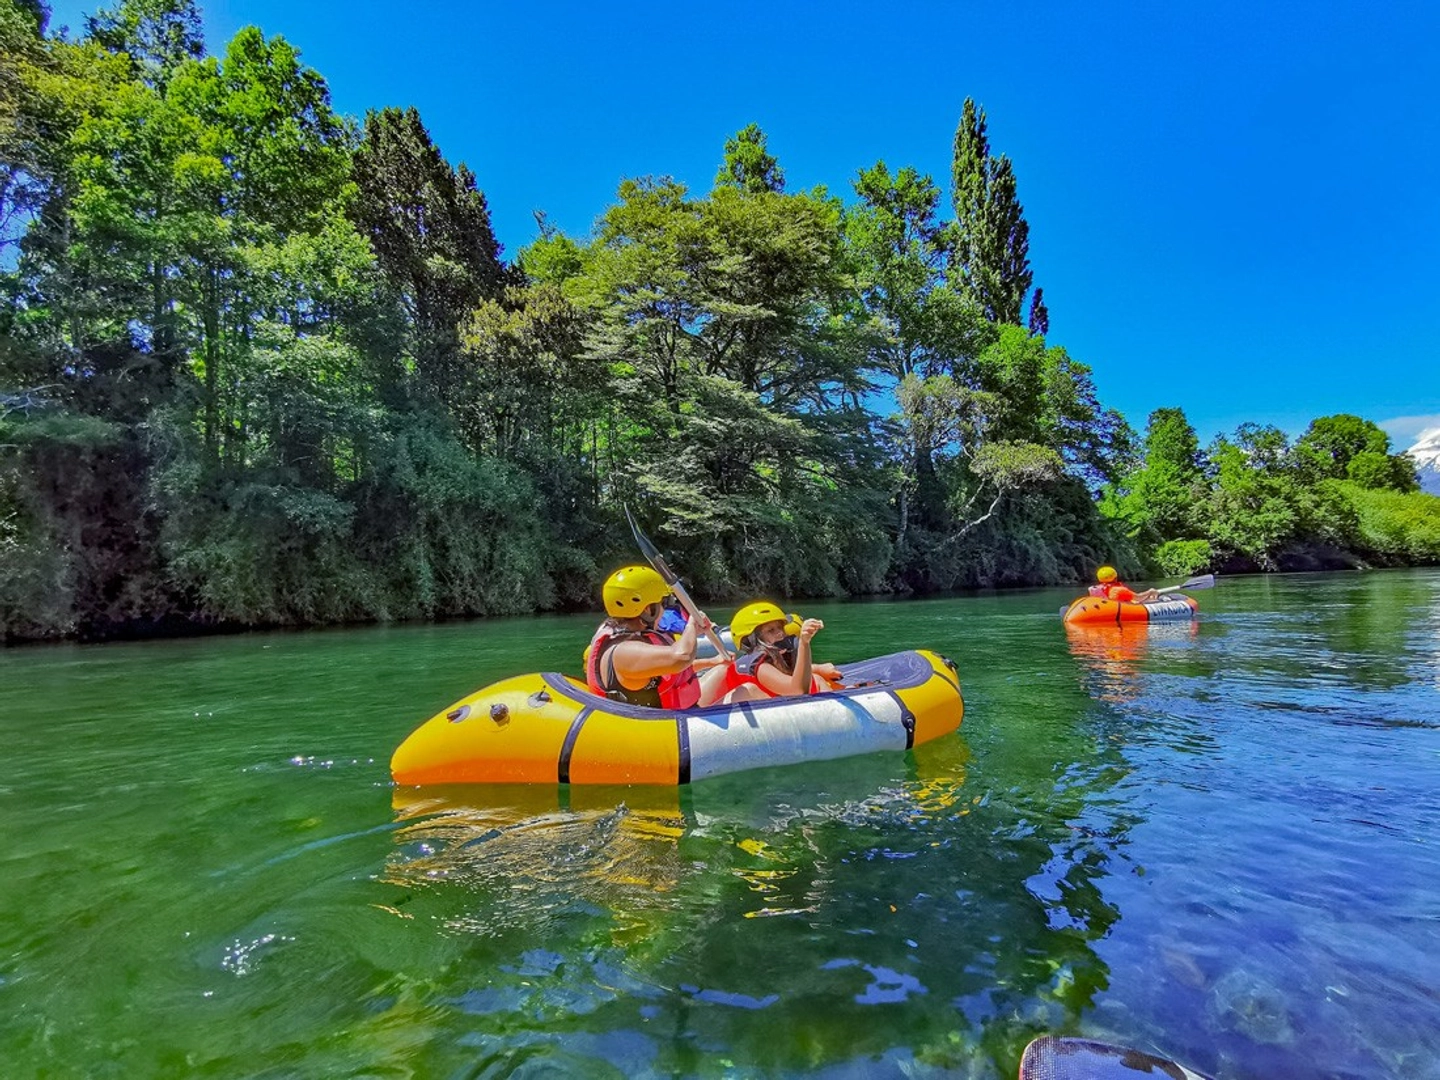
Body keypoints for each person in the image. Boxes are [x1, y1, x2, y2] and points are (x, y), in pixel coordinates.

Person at [585, 565, 732, 708]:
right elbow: (682, 658)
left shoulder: (630, 639)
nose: (664, 610)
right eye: (664, 603)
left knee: (723, 670)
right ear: (649, 609)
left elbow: (668, 670)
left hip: (675, 715)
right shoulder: (623, 652)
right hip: (659, 727)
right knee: (750, 690)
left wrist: (712, 661)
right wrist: (691, 626)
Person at [718, 600, 844, 699]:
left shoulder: (776, 659)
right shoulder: (761, 668)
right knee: (813, 680)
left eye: (780, 628)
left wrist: (818, 669)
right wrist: (804, 644)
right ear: (749, 640)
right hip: (764, 722)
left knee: (816, 679)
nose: (780, 634)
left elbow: (789, 672)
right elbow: (798, 690)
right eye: (771, 630)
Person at [1092, 565, 1162, 604]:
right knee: (1153, 600)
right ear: (1115, 577)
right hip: (1119, 609)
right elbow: (1138, 598)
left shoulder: (1095, 589)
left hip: (1106, 608)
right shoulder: (1119, 590)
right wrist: (1150, 591)